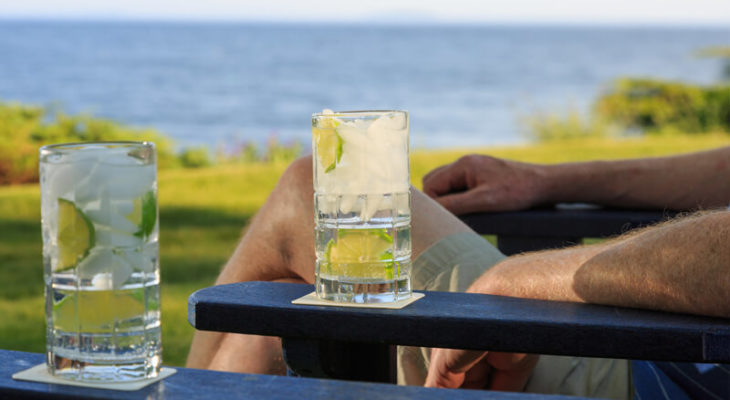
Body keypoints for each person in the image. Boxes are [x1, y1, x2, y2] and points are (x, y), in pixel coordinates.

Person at [186, 146, 730, 399]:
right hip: (673, 353)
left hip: (655, 365)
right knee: (275, 315)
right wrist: (546, 181)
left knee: (317, 191)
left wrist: (517, 283)